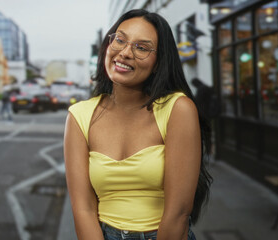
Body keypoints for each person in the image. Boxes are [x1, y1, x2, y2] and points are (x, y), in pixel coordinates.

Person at [64, 9, 212, 240]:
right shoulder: (79, 115)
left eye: (141, 48)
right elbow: (82, 210)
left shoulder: (177, 109)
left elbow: (178, 214)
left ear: (158, 62)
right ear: (107, 44)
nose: (124, 53)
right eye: (120, 40)